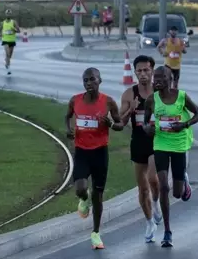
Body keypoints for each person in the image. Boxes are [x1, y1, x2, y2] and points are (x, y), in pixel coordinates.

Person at [143, 66, 198, 248]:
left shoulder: (182, 96)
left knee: (177, 193)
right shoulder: (151, 100)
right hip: (161, 144)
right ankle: (167, 232)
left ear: (170, 79)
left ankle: (184, 180)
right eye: (156, 77)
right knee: (163, 186)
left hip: (178, 144)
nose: (158, 80)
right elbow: (145, 122)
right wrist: (147, 128)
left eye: (162, 77)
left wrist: (185, 124)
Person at [65, 68, 124, 250]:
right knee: (81, 188)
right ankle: (83, 199)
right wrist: (68, 129)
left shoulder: (108, 102)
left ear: (100, 81)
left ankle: (96, 233)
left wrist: (112, 125)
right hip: (82, 151)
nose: (89, 83)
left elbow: (120, 124)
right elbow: (67, 117)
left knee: (98, 196)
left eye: (92, 80)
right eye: (85, 80)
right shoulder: (75, 100)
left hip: (100, 153)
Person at [119, 55, 162, 243]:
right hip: (138, 142)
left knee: (153, 179)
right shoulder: (129, 94)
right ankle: (149, 221)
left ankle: (156, 202)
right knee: (142, 188)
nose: (143, 74)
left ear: (152, 71)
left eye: (146, 70)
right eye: (139, 71)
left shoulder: (160, 92)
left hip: (157, 141)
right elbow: (120, 122)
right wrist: (131, 109)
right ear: (135, 72)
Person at [0, 9, 20, 75]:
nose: (8, 15)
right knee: (7, 54)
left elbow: (19, 31)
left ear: (11, 14)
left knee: (10, 56)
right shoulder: (2, 23)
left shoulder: (14, 22)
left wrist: (14, 30)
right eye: (7, 13)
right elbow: (0, 29)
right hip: (5, 40)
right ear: (5, 14)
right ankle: (8, 69)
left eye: (9, 13)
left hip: (12, 40)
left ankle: (7, 61)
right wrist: (0, 35)